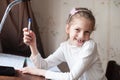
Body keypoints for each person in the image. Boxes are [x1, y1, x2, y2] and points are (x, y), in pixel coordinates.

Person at [21, 7, 107, 80]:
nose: (81, 36)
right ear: (68, 28)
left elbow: (71, 77)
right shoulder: (65, 47)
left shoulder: (89, 46)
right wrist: (33, 45)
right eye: (77, 30)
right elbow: (43, 65)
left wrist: (40, 72)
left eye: (87, 32)